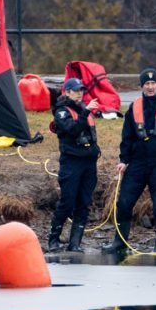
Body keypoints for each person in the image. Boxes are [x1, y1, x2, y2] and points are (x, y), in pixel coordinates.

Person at [102, 68, 156, 254]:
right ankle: (120, 243)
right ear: (141, 86)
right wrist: (123, 160)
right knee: (124, 202)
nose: (150, 87)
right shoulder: (134, 107)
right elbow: (127, 136)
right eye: (147, 84)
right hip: (137, 163)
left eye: (153, 83)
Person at [48, 77, 100, 252]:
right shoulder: (62, 111)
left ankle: (75, 243)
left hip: (88, 162)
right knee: (67, 201)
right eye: (76, 90)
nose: (80, 93)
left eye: (81, 90)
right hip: (71, 162)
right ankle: (53, 240)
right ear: (67, 92)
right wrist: (85, 113)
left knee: (84, 203)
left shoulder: (84, 109)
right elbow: (72, 129)